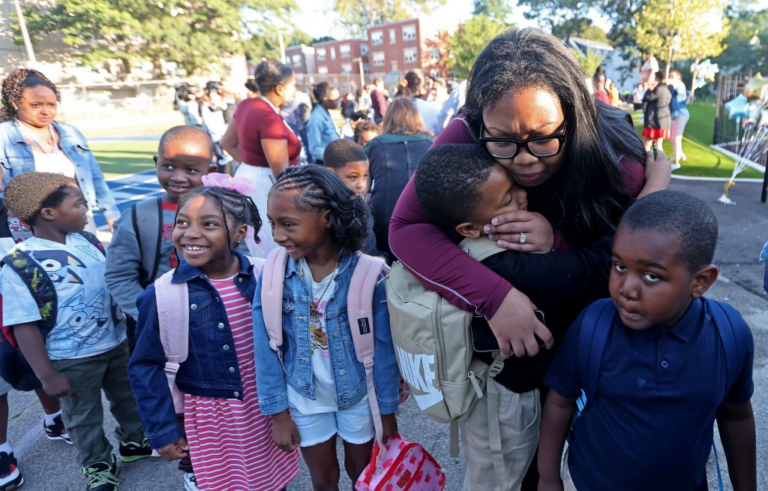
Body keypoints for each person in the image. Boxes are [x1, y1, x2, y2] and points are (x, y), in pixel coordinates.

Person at [388, 29, 672, 489]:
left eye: (543, 138)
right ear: (477, 120)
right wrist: (496, 299)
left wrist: (562, 236)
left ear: (573, 114)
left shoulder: (617, 157)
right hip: (514, 358)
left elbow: (626, 257)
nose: (524, 161)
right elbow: (404, 229)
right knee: (517, 469)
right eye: (501, 141)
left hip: (592, 331)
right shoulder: (465, 132)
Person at [413, 143, 639, 491]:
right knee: (504, 480)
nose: (523, 196)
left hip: (501, 395)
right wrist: (649, 192)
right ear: (469, 229)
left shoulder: (463, 248)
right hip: (507, 404)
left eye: (515, 186)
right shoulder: (506, 265)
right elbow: (593, 269)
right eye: (506, 199)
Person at [538, 191, 756, 491]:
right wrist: (548, 478)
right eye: (619, 266)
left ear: (700, 282)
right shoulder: (593, 325)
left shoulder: (728, 335)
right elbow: (559, 404)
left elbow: (736, 417)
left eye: (651, 276)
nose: (626, 288)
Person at [128, 185, 299, 491]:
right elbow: (145, 366)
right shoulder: (162, 294)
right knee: (224, 483)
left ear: (239, 233)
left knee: (272, 480)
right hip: (213, 420)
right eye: (182, 222)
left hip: (267, 408)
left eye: (208, 224)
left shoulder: (267, 275)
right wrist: (163, 429)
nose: (190, 233)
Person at [253, 165, 400, 490]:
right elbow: (265, 346)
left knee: (363, 473)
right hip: (304, 397)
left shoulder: (370, 274)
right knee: (323, 479)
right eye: (273, 224)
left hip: (359, 396)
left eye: (288, 224)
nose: (277, 236)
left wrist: (387, 412)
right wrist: (278, 414)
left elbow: (385, 348)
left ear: (328, 218)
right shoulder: (274, 272)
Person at [1, 172, 150, 491]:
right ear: (49, 213)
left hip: (116, 344)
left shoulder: (88, 241)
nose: (86, 209)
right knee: (83, 418)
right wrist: (47, 376)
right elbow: (23, 325)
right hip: (71, 358)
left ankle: (134, 442)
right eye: (79, 204)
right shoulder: (19, 263)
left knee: (129, 399)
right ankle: (98, 464)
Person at [106, 126, 214, 349]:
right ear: (156, 162)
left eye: (191, 170)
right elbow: (119, 276)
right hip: (156, 326)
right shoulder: (136, 217)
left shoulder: (225, 212)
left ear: (210, 171)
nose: (178, 177)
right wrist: (150, 314)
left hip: (212, 321)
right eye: (168, 166)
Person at [0, 167, 71, 491]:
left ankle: (55, 418)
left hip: (27, 302)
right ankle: (2, 449)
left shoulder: (17, 208)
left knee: (38, 358)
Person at [0, 68, 119, 233]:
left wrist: (111, 214)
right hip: (30, 226)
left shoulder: (71, 133)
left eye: (51, 104)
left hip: (78, 217)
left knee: (90, 258)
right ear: (15, 103)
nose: (45, 111)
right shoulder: (3, 137)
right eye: (36, 105)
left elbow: (94, 175)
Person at [220, 59, 300, 251]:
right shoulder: (267, 115)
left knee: (259, 242)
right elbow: (280, 171)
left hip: (249, 176)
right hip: (266, 184)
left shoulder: (246, 104)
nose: (295, 90)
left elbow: (227, 144)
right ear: (280, 89)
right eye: (293, 85)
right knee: (275, 246)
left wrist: (252, 163)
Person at [365, 97, 434, 259]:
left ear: (388, 118)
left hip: (385, 216)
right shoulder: (432, 142)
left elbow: (365, 189)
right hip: (425, 216)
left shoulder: (373, 145)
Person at [323, 139, 383, 258]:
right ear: (331, 174)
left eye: (365, 176)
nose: (361, 184)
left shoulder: (360, 203)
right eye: (353, 177)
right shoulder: (327, 211)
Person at [396, 70, 441, 135]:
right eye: (430, 88)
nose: (431, 91)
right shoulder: (433, 113)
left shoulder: (394, 108)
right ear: (423, 90)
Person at [199, 82, 231, 172]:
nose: (214, 99)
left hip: (225, 135)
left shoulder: (225, 106)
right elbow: (208, 123)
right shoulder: (206, 107)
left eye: (216, 96)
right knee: (221, 158)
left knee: (228, 160)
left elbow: (229, 120)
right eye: (212, 97)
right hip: (216, 136)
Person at [307, 82, 341, 165]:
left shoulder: (325, 114)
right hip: (325, 164)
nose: (338, 102)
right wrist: (335, 158)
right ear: (325, 99)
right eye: (336, 100)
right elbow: (314, 149)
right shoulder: (316, 119)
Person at [642, 71, 672, 153]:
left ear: (657, 78)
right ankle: (658, 162)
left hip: (654, 121)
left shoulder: (658, 89)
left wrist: (649, 88)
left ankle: (648, 162)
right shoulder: (666, 89)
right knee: (658, 145)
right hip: (662, 121)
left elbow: (646, 98)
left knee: (647, 144)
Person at [667, 70, 689, 169]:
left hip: (680, 113)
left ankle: (676, 163)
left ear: (678, 78)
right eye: (669, 75)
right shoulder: (669, 87)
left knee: (676, 138)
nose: (670, 77)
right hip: (671, 114)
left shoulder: (680, 85)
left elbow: (679, 90)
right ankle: (679, 153)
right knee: (669, 137)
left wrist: (671, 83)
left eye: (672, 76)